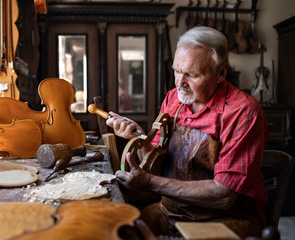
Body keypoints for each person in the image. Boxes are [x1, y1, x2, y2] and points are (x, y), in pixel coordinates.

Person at [106, 26, 269, 238]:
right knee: (119, 230)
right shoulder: (173, 99)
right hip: (172, 211)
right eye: (176, 71)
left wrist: (149, 183)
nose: (180, 83)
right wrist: (139, 138)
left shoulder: (243, 113)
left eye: (192, 74)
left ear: (221, 73)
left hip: (226, 219)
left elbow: (224, 195)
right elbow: (158, 166)